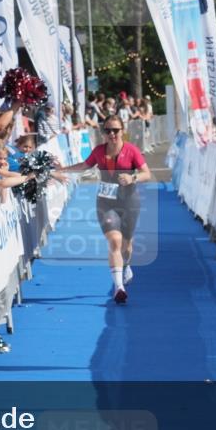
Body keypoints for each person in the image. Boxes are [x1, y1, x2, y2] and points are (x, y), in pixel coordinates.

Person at [58, 114, 150, 305]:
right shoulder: (99, 151)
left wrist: (132, 178)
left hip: (129, 202)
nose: (112, 134)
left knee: (127, 244)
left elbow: (146, 173)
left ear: (122, 131)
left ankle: (127, 265)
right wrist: (63, 169)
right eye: (107, 130)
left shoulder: (131, 150)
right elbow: (84, 166)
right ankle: (119, 288)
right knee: (114, 241)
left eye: (115, 130)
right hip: (106, 202)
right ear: (103, 133)